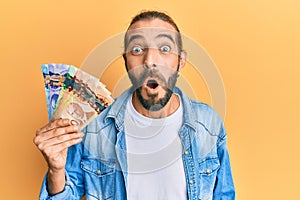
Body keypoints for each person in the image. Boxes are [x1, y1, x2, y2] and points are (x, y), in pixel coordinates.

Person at [34, 10, 235, 200]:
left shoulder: (209, 123)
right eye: (137, 49)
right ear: (126, 61)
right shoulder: (94, 127)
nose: (150, 61)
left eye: (164, 49)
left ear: (180, 61)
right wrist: (56, 170)